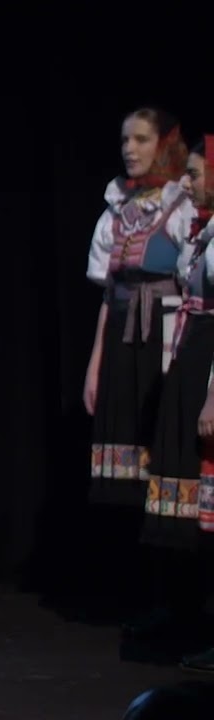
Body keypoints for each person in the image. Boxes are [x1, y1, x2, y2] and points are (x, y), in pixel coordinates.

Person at [82, 108, 195, 654]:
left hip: (164, 347)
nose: (130, 149)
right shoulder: (117, 208)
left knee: (164, 470)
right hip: (125, 348)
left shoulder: (182, 206)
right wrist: (95, 364)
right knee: (126, 479)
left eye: (142, 139)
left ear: (163, 143)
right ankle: (138, 594)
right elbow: (108, 297)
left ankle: (177, 600)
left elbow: (193, 287)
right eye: (125, 139)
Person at [142, 135, 214, 671]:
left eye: (194, 172)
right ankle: (185, 611)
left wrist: (212, 393)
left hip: (208, 367)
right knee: (184, 492)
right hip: (191, 359)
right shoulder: (201, 231)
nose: (185, 181)